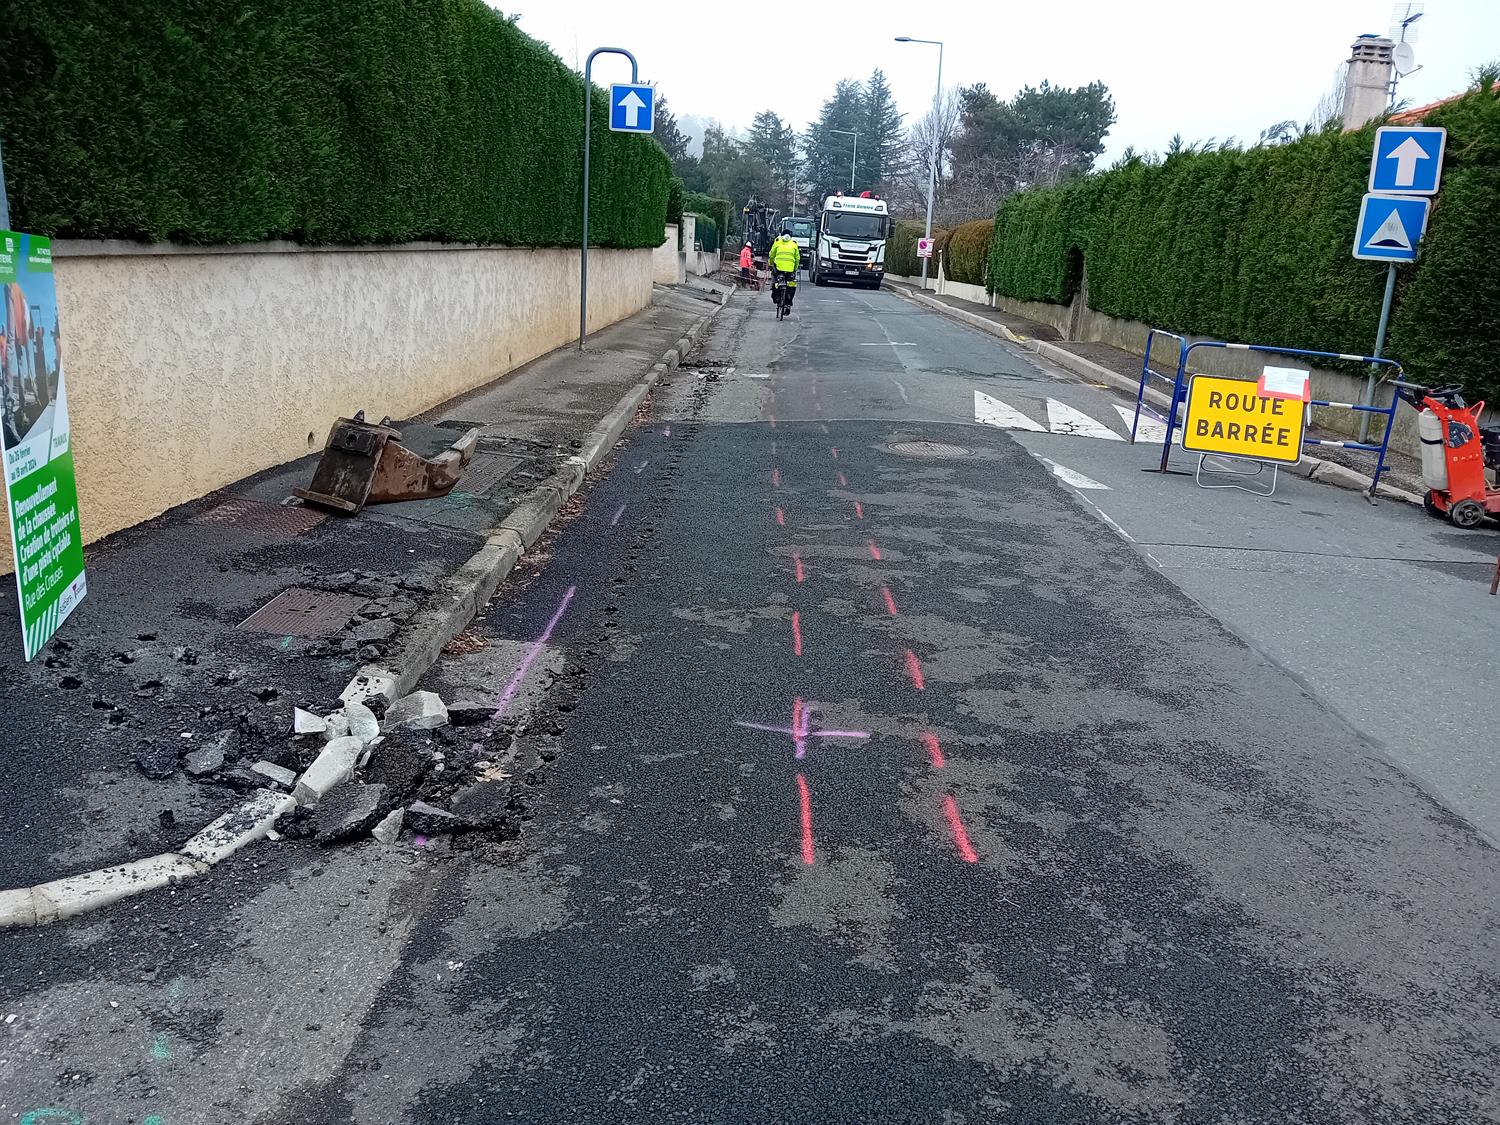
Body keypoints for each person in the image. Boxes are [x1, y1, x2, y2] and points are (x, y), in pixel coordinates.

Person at [768, 233, 800, 312]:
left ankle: (777, 297)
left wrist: (771, 264)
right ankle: (788, 302)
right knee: (791, 284)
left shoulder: (777, 241)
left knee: (775, 281)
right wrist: (795, 268)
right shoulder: (794, 243)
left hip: (779, 268)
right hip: (790, 269)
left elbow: (771, 254)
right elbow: (797, 258)